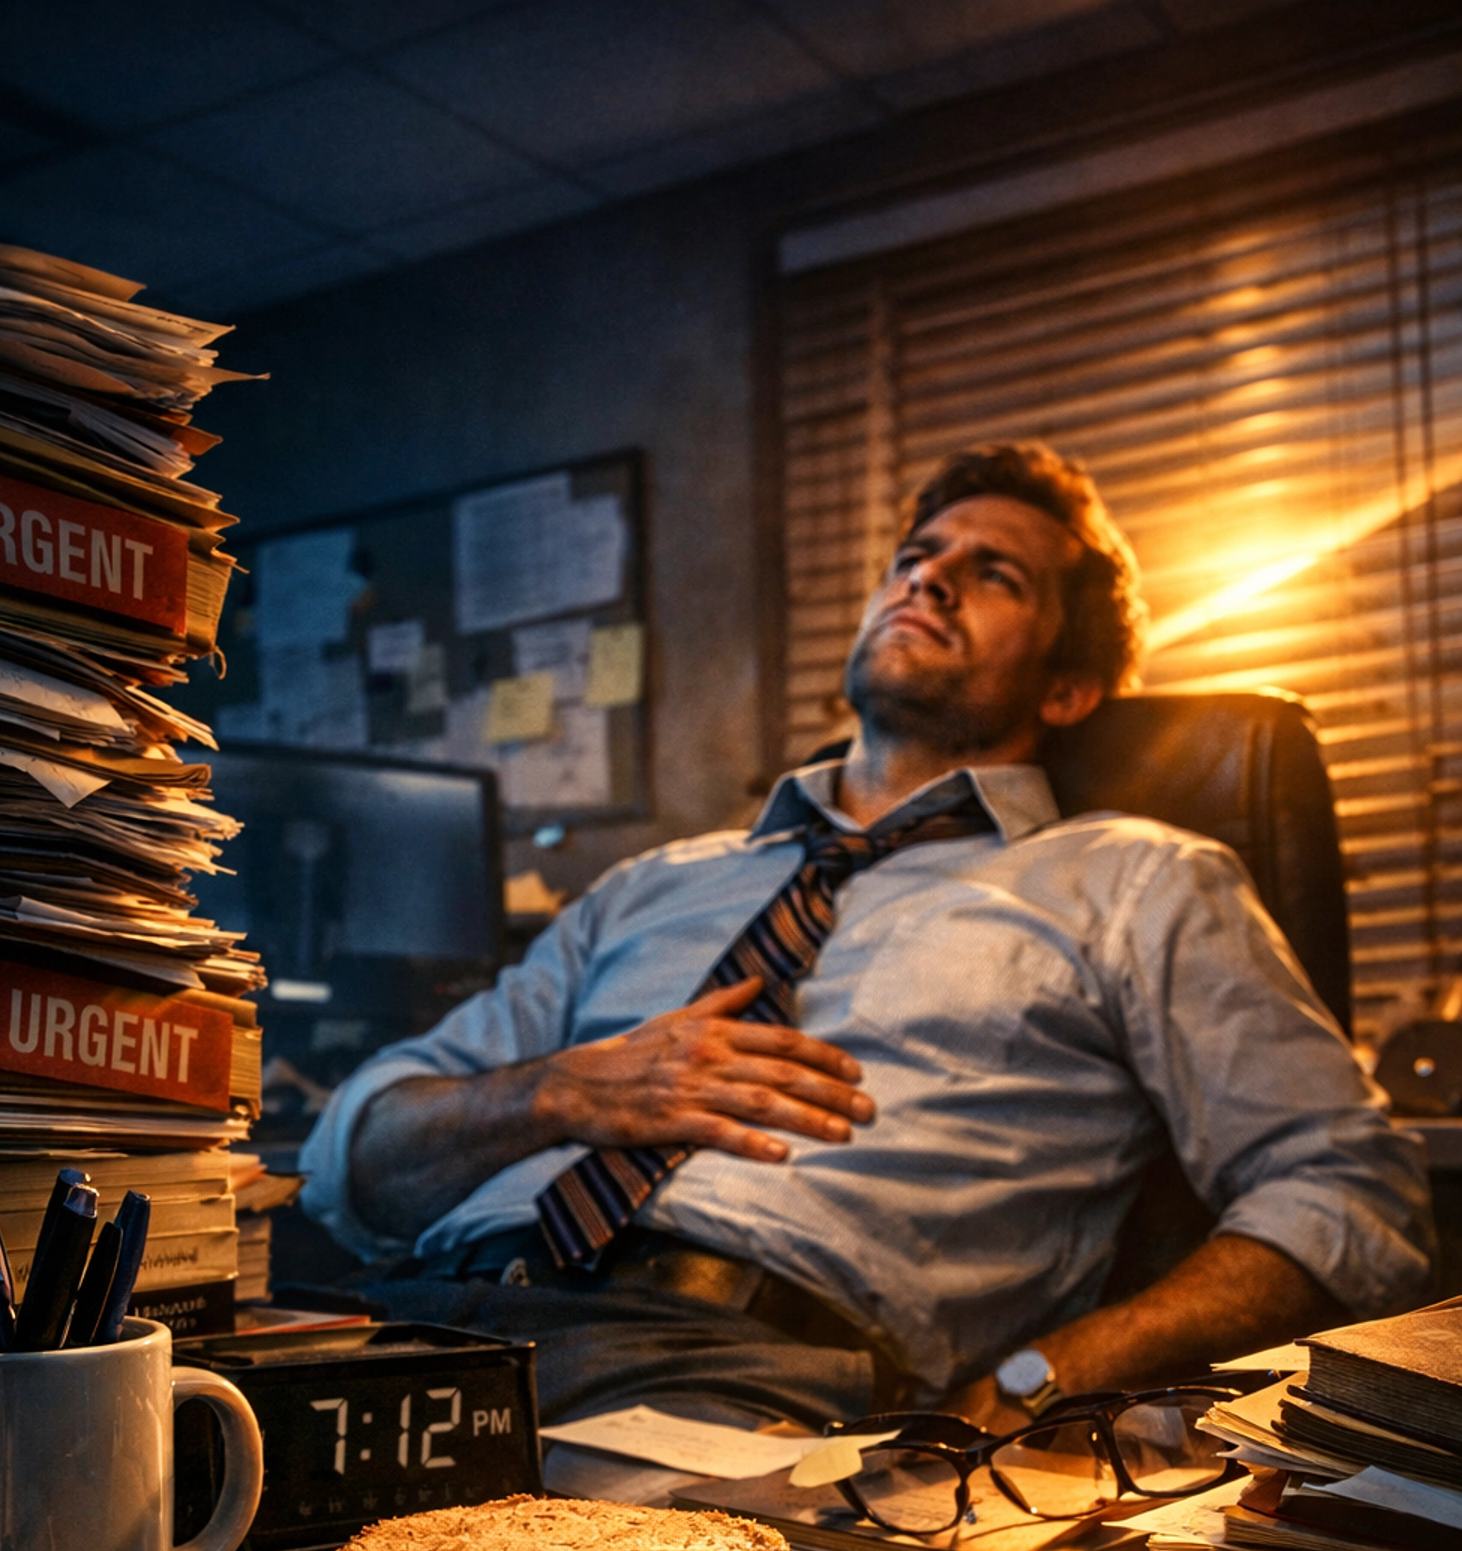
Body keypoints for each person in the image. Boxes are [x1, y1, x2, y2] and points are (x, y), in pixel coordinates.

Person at [300, 441, 1431, 1440]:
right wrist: (555, 1094)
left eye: (995, 576)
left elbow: (1351, 1196)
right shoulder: (650, 886)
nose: (928, 576)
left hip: (720, 1371)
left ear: (1073, 686)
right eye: (917, 555)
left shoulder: (1138, 880)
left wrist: (1052, 1372)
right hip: (395, 1322)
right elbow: (345, 1164)